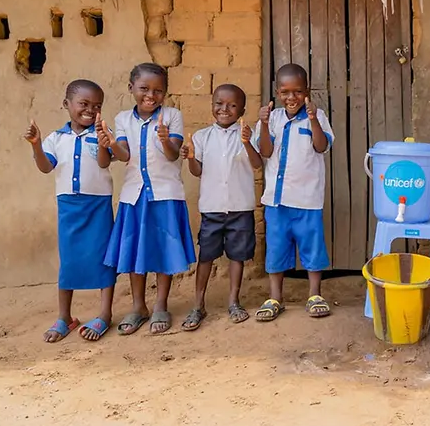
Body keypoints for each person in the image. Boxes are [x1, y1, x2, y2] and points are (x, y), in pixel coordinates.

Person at [104, 62, 196, 335]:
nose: (150, 95)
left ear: (165, 93)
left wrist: (166, 139)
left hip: (165, 194)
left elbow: (171, 154)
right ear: (131, 88)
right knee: (135, 253)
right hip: (134, 196)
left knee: (163, 250)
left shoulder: (172, 115)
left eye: (158, 90)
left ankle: (160, 305)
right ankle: (137, 307)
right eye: (144, 88)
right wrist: (110, 144)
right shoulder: (122, 119)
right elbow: (124, 155)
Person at [24, 79, 117, 342]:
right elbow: (45, 167)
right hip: (68, 206)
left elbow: (103, 163)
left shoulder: (100, 134)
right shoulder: (56, 138)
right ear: (67, 105)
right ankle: (65, 317)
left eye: (97, 106)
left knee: (103, 258)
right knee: (69, 261)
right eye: (83, 104)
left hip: (97, 204)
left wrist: (102, 141)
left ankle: (104, 314)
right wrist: (36, 144)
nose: (90, 110)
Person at [251, 63, 334, 321]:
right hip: (277, 200)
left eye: (297, 91)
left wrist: (312, 120)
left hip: (307, 199)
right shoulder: (272, 118)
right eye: (285, 92)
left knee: (312, 246)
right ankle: (276, 297)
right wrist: (264, 124)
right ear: (277, 91)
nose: (291, 97)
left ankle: (314, 294)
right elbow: (264, 152)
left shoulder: (317, 117)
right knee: (276, 247)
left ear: (307, 91)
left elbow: (321, 147)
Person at [179, 84, 260, 331]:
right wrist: (191, 157)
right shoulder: (203, 137)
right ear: (212, 105)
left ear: (242, 109)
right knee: (206, 256)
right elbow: (197, 171)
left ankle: (234, 301)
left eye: (232, 105)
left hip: (240, 207)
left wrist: (247, 142)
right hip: (212, 208)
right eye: (219, 104)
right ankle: (198, 304)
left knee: (237, 256)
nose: (224, 109)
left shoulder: (249, 134)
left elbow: (257, 164)